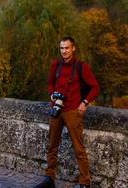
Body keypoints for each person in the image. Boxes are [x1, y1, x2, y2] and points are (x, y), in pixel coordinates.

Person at [34, 37, 100, 188]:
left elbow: (95, 87)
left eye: (67, 48)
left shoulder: (81, 67)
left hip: (73, 111)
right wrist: (52, 94)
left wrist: (85, 102)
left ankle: (85, 183)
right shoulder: (55, 64)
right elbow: (50, 82)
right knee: (52, 146)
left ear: (73, 48)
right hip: (56, 109)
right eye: (62, 48)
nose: (64, 51)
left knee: (79, 149)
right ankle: (49, 179)